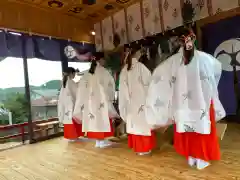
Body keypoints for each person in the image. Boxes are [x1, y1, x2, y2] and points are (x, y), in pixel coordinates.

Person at [145, 28, 226, 169]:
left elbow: (159, 76)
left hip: (182, 105)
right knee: (201, 131)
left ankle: (191, 157)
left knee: (187, 131)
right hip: (202, 103)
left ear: (179, 42)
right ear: (193, 39)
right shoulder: (205, 59)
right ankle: (202, 158)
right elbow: (216, 71)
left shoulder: (172, 62)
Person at [73, 52, 118, 148]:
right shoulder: (103, 71)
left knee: (94, 120)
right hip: (101, 101)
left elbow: (81, 89)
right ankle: (102, 141)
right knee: (102, 119)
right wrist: (109, 97)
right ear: (100, 60)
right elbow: (110, 86)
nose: (104, 61)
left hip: (89, 103)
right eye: (103, 59)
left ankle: (98, 141)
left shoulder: (87, 73)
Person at [119, 44, 156, 155]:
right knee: (143, 124)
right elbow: (150, 83)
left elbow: (121, 88)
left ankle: (138, 148)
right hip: (141, 102)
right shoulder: (140, 67)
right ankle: (144, 148)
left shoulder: (124, 70)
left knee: (135, 125)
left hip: (130, 103)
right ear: (137, 53)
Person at [58, 67, 84, 142]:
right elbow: (77, 91)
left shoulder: (64, 82)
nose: (74, 75)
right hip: (71, 105)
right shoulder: (70, 82)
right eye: (74, 74)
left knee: (68, 121)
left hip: (66, 106)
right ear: (71, 73)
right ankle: (73, 135)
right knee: (73, 120)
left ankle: (71, 136)